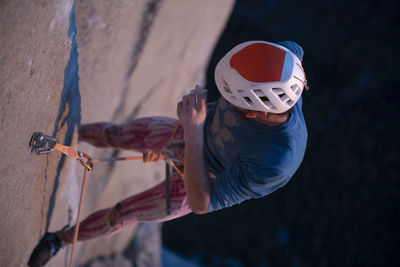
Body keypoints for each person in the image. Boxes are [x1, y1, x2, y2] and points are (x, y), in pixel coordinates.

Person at [28, 40, 308, 266]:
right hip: (190, 133)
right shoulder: (283, 62)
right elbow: (296, 48)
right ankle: (69, 135)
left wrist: (193, 130)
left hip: (201, 179)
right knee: (117, 135)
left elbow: (201, 202)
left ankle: (59, 240)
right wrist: (185, 135)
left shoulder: (277, 159)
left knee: (122, 215)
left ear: (257, 111)